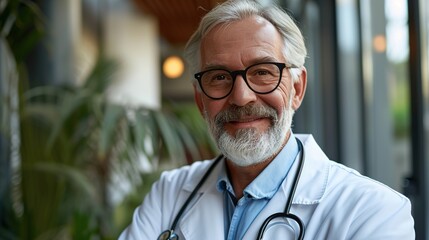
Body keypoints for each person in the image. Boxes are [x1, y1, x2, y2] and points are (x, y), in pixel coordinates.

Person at [119, 0, 415, 239]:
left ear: (296, 89)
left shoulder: (372, 212)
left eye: (262, 72)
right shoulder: (169, 193)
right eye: (219, 77)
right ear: (200, 101)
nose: (241, 97)